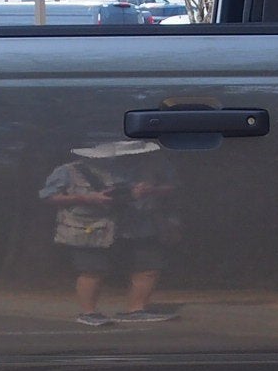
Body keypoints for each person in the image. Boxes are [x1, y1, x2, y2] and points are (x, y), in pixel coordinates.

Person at [39, 139, 181, 326]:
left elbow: (173, 187)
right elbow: (48, 196)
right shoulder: (70, 170)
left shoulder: (154, 166)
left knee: (149, 266)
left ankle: (136, 310)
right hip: (92, 227)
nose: (130, 158)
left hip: (139, 224)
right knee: (92, 269)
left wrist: (152, 190)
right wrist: (87, 198)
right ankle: (89, 313)